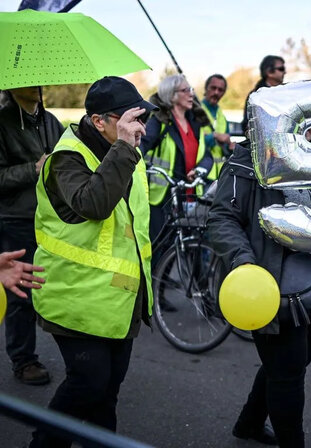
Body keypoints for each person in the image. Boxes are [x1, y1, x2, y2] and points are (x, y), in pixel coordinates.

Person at [208, 141, 311, 447]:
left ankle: (249, 424)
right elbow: (221, 219)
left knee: (292, 365)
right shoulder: (248, 157)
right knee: (288, 374)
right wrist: (244, 263)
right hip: (269, 290)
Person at [28, 76, 156, 447]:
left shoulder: (124, 147)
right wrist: (125, 151)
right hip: (74, 298)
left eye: (142, 120)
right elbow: (94, 205)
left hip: (118, 301)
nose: (140, 129)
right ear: (99, 122)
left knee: (107, 392)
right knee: (88, 383)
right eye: (131, 120)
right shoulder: (68, 157)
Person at [0, 86, 63, 385]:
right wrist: (33, 169)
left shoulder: (51, 121)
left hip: (48, 218)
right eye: (31, 78)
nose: (39, 84)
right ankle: (23, 360)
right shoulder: (3, 122)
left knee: (51, 285)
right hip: (15, 218)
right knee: (21, 292)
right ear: (12, 85)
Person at [139, 74, 213, 245]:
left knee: (188, 248)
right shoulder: (158, 122)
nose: (192, 94)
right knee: (160, 247)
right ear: (171, 96)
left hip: (191, 194)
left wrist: (201, 169)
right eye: (185, 90)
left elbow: (207, 155)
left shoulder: (195, 122)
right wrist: (143, 165)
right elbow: (140, 146)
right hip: (163, 197)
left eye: (191, 90)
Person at [240, 55, 286, 134]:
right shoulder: (256, 96)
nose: (285, 72)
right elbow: (247, 125)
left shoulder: (284, 94)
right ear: (269, 72)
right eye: (281, 69)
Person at [201, 73, 232, 181]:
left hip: (219, 176)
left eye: (220, 90)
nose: (216, 92)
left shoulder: (222, 117)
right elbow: (192, 143)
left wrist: (230, 146)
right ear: (206, 88)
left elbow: (224, 147)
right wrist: (214, 136)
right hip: (200, 173)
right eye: (213, 88)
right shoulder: (195, 111)